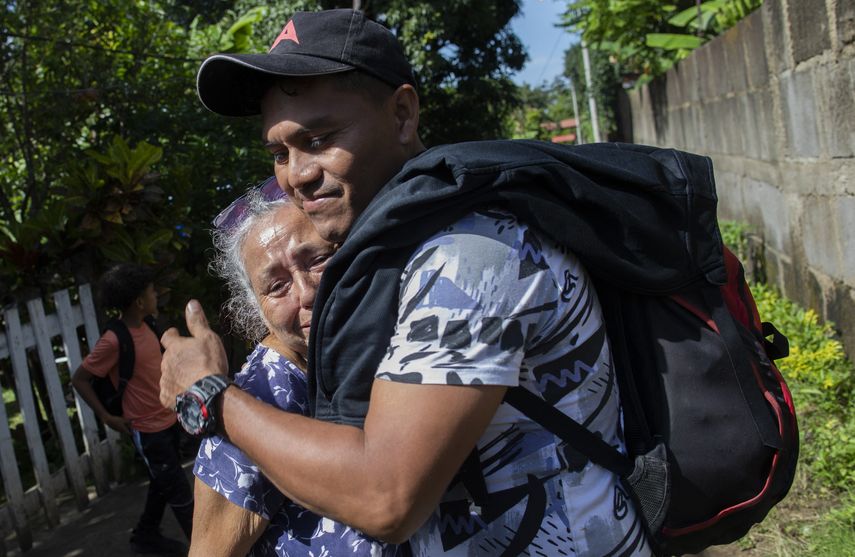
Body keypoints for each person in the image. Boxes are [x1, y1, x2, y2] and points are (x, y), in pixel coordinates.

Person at [160, 9, 658, 556]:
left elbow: (386, 498)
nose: (296, 174)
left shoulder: (468, 258)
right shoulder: (407, 252)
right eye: (279, 153)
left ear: (402, 114)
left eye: (320, 138)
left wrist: (211, 395)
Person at [189, 181, 401, 556]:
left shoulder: (394, 345)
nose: (305, 292)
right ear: (256, 308)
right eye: (276, 286)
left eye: (317, 260)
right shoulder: (263, 393)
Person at [71, 263, 193, 555]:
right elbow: (80, 378)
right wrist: (107, 416)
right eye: (152, 292)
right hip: (148, 430)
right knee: (180, 492)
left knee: (161, 483)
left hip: (168, 419)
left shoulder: (148, 326)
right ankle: (207, 548)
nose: (156, 296)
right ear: (139, 301)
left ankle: (145, 536)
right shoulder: (115, 340)